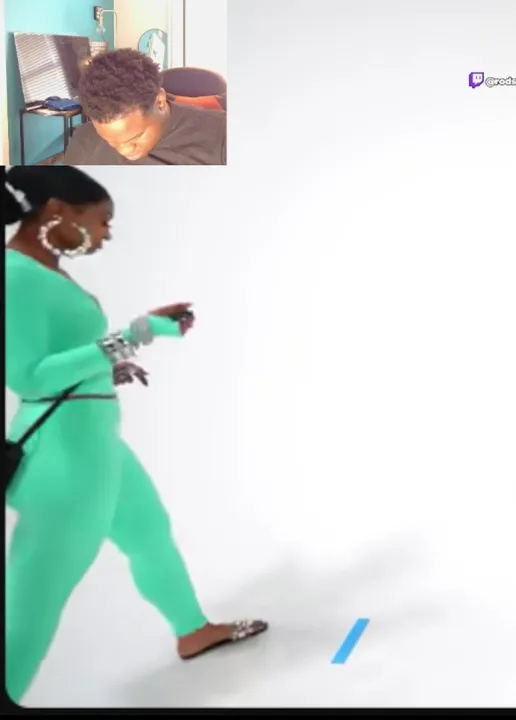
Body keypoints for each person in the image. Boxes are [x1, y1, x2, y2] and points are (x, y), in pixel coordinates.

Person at [4, 167, 265, 703]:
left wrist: (110, 365)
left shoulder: (47, 271)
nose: (106, 235)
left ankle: (192, 630)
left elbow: (64, 360)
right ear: (57, 211)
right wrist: (132, 336)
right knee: (37, 593)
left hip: (94, 442)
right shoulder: (14, 275)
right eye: (101, 221)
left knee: (149, 532)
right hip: (64, 457)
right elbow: (28, 377)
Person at [63, 49, 226, 165]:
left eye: (136, 138)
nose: (125, 151)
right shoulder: (84, 141)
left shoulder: (222, 137)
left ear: (160, 102)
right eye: (110, 141)